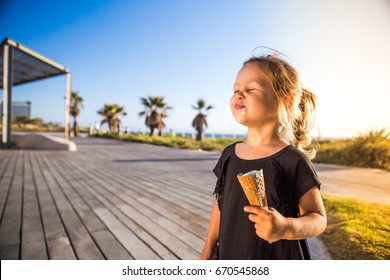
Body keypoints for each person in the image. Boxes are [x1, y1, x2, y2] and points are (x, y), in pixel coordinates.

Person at [200, 53, 327, 260]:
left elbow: (318, 219)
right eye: (236, 90)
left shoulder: (293, 161)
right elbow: (219, 204)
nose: (239, 95)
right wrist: (209, 245)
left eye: (250, 89)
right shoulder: (229, 155)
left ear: (285, 101)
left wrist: (286, 227)